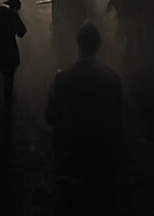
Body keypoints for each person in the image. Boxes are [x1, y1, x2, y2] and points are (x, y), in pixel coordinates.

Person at [45, 22, 122, 213]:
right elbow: (118, 117)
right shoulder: (112, 77)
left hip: (70, 157)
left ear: (78, 44)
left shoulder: (61, 78)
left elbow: (50, 116)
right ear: (99, 46)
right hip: (102, 156)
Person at [51, 0, 87, 68]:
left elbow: (54, 18)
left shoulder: (58, 0)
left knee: (63, 55)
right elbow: (84, 13)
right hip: (73, 29)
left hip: (63, 31)